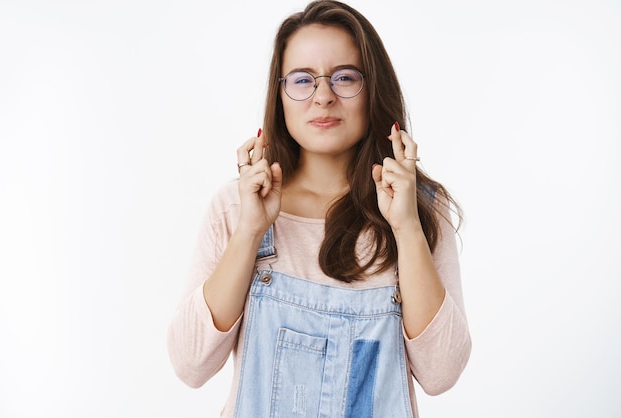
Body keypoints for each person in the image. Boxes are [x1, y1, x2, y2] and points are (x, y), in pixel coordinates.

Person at [167, 1, 471, 416]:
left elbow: (441, 374)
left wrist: (406, 228)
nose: (323, 96)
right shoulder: (237, 206)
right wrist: (249, 232)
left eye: (344, 77)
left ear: (373, 88)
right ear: (280, 96)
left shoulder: (418, 211)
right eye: (302, 80)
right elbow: (190, 366)